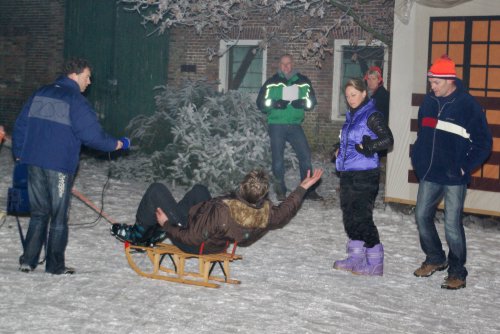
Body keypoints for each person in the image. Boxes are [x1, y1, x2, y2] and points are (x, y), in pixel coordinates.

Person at [12, 58, 130, 275]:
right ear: (75, 75)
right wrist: (118, 144)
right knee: (58, 216)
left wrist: (20, 153)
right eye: (87, 76)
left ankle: (28, 260)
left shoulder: (41, 93)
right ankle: (55, 266)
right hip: (58, 166)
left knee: (39, 212)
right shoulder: (75, 101)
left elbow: (21, 124)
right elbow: (92, 136)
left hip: (33, 161)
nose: (90, 81)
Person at [411, 55, 492, 290]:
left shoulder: (468, 106)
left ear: (449, 80)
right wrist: (418, 157)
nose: (431, 86)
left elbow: (484, 143)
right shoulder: (428, 102)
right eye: (430, 81)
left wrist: (464, 166)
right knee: (421, 216)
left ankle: (457, 272)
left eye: (436, 82)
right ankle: (435, 258)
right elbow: (423, 134)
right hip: (429, 172)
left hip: (455, 176)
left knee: (451, 225)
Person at [111, 169, 323, 254]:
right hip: (212, 236)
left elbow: (191, 237)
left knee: (156, 190)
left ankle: (139, 233)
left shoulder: (224, 211)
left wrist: (167, 224)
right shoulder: (263, 213)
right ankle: (154, 230)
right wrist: (302, 188)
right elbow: (285, 211)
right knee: (200, 190)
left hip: (196, 241)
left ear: (242, 189)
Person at [331, 78, 393, 276]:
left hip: (366, 174)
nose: (350, 99)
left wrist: (369, 147)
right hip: (348, 172)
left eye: (354, 95)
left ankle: (375, 262)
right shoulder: (352, 116)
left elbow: (387, 140)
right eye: (348, 96)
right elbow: (349, 141)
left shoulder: (371, 115)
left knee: (362, 217)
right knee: (349, 215)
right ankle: (355, 257)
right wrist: (337, 148)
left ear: (364, 93)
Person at [256, 54, 322, 201]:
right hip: (276, 125)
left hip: (295, 125)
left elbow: (312, 102)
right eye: (283, 63)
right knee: (278, 160)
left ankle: (308, 189)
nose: (286, 66)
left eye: (288, 63)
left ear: (293, 64)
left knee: (305, 157)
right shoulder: (271, 82)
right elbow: (260, 103)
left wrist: (303, 103)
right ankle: (280, 190)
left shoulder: (303, 81)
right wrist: (274, 104)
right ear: (279, 65)